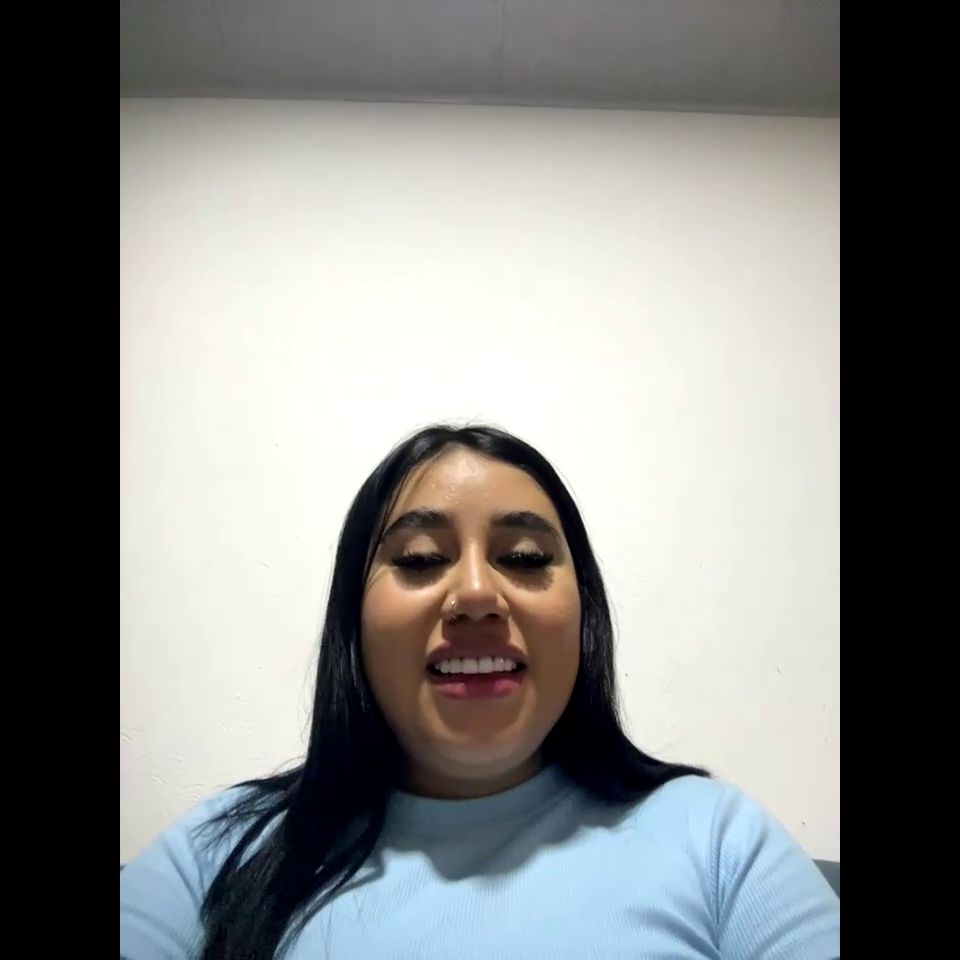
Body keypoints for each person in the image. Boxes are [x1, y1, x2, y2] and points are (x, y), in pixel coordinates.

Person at [120, 423, 840, 959]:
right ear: (353, 621)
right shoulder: (220, 852)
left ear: (583, 614)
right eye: (419, 559)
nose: (474, 594)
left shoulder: (718, 842)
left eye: (523, 558)